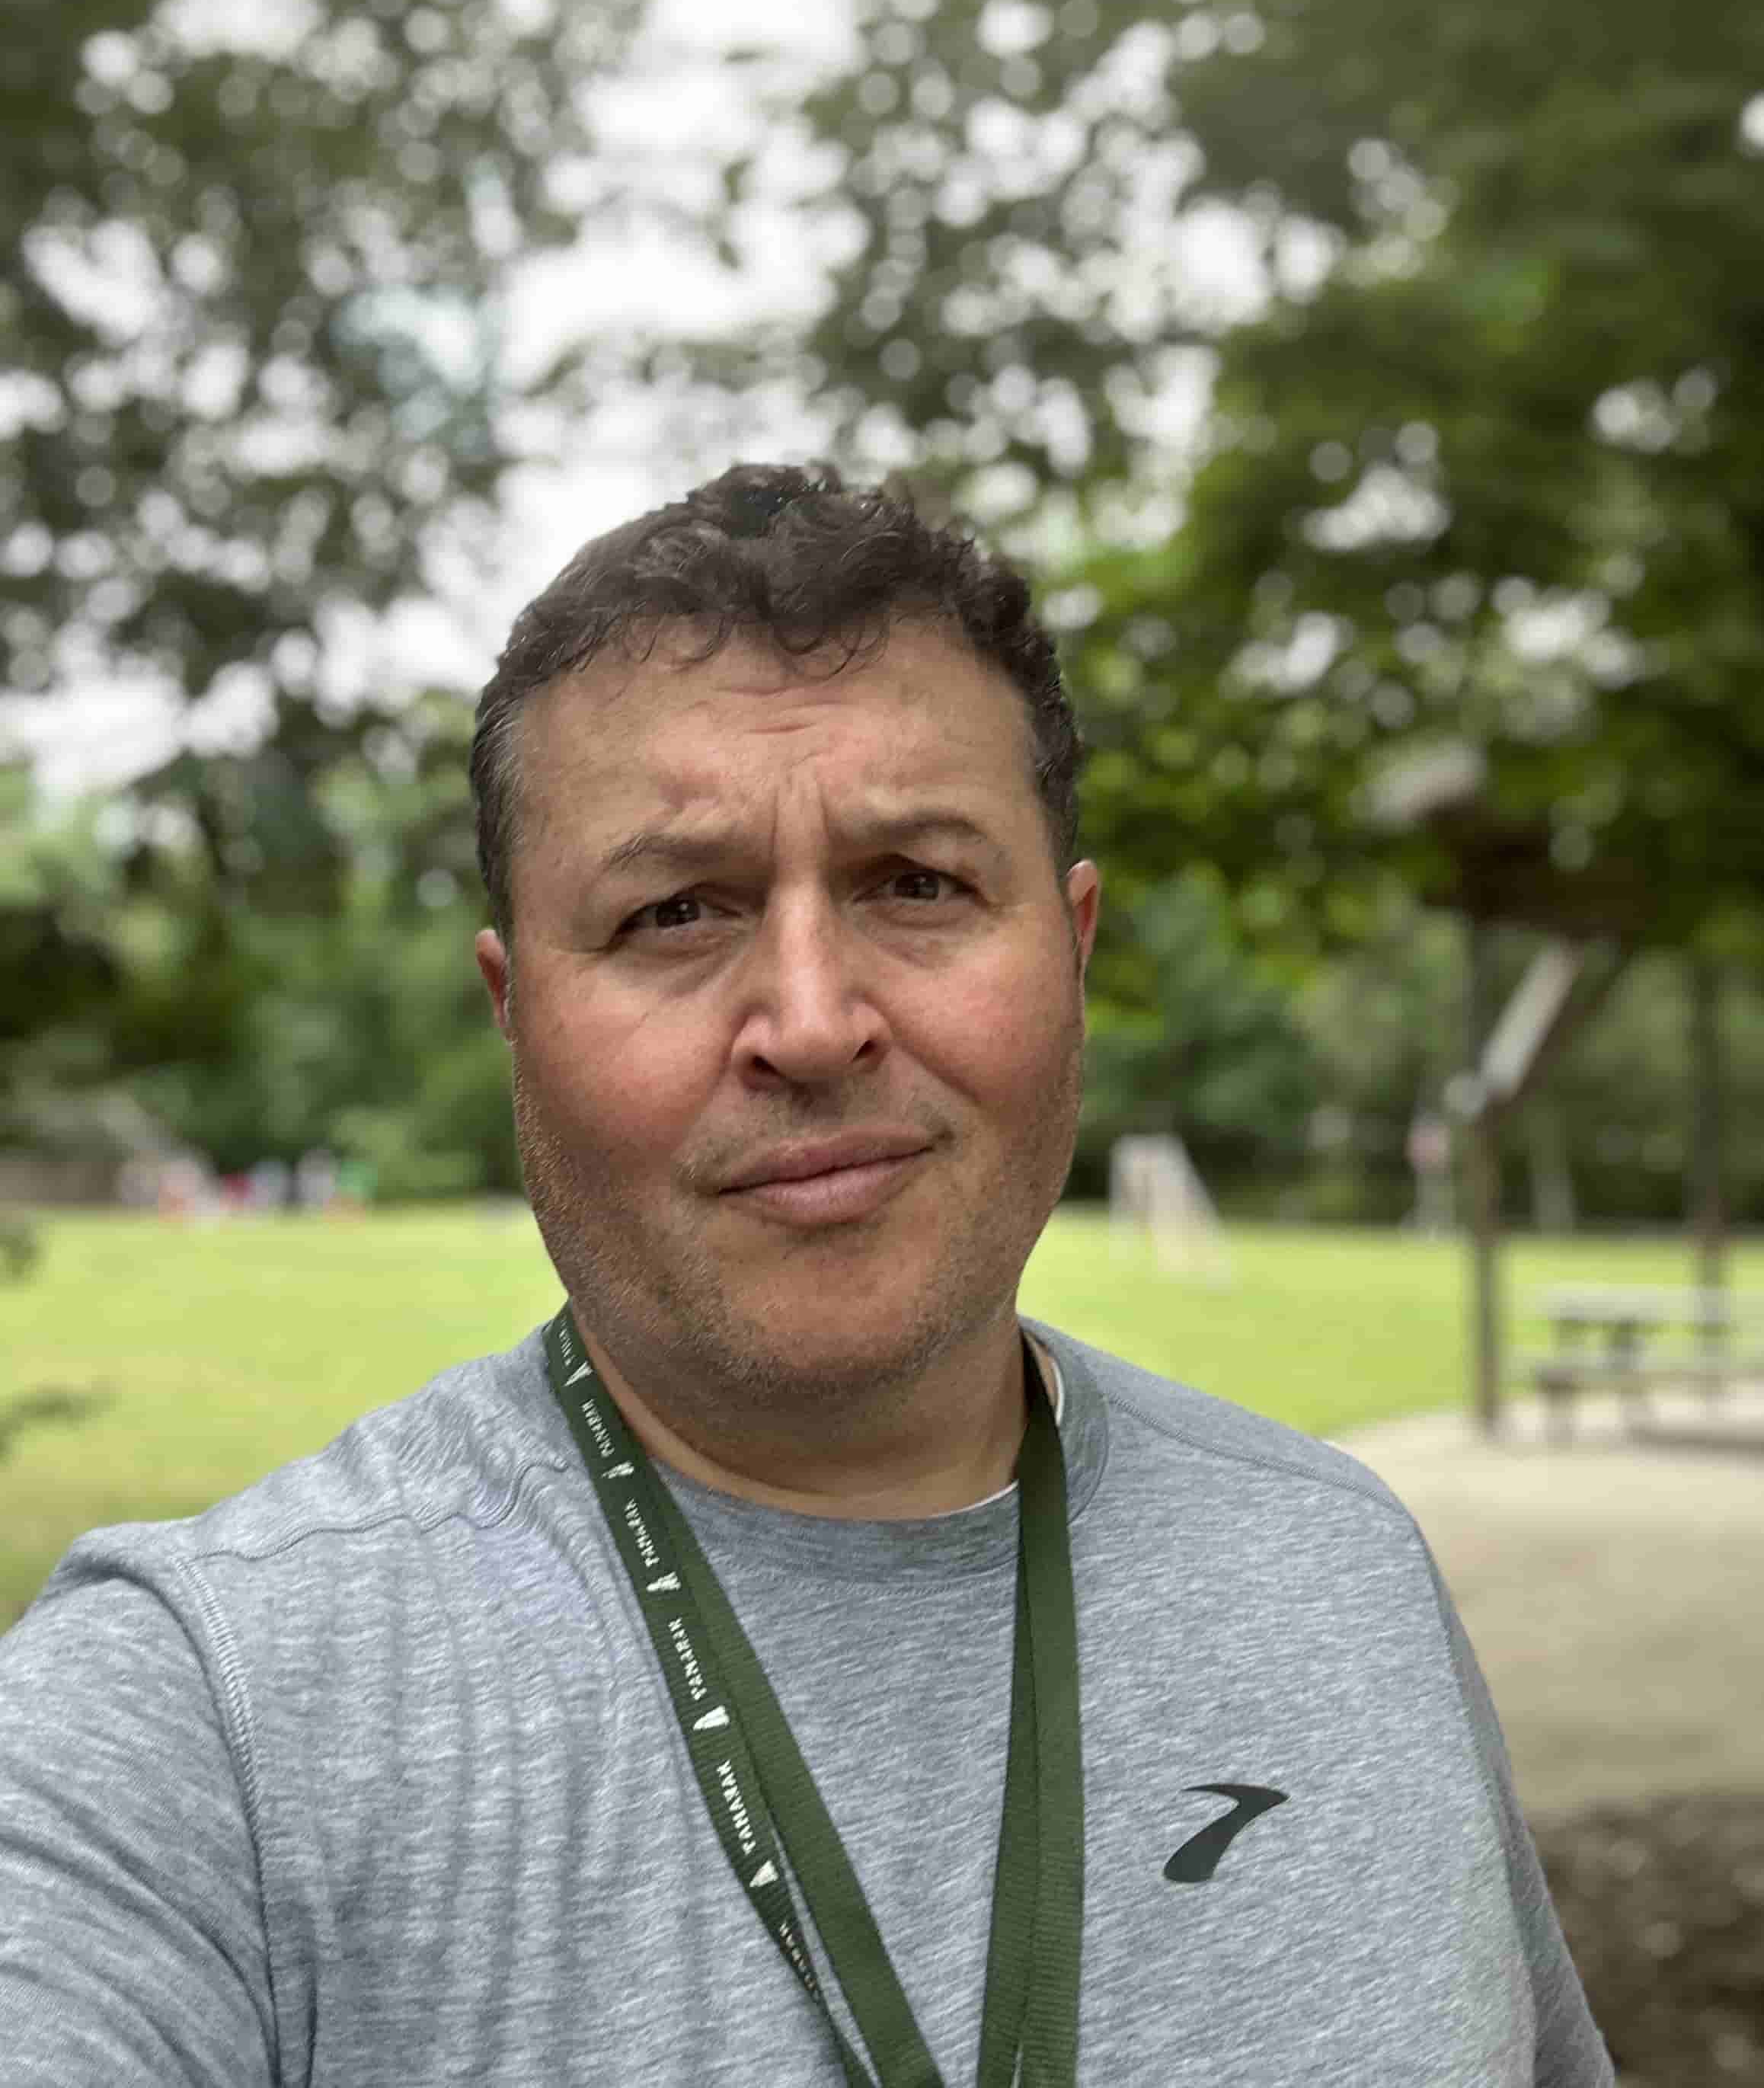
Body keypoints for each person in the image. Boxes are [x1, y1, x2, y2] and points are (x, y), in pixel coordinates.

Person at [0, 464, 1612, 2086]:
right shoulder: (194, 1727)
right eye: (675, 909)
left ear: (1075, 948)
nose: (813, 1017)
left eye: (918, 881)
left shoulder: (1343, 1577)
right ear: (514, 1009)